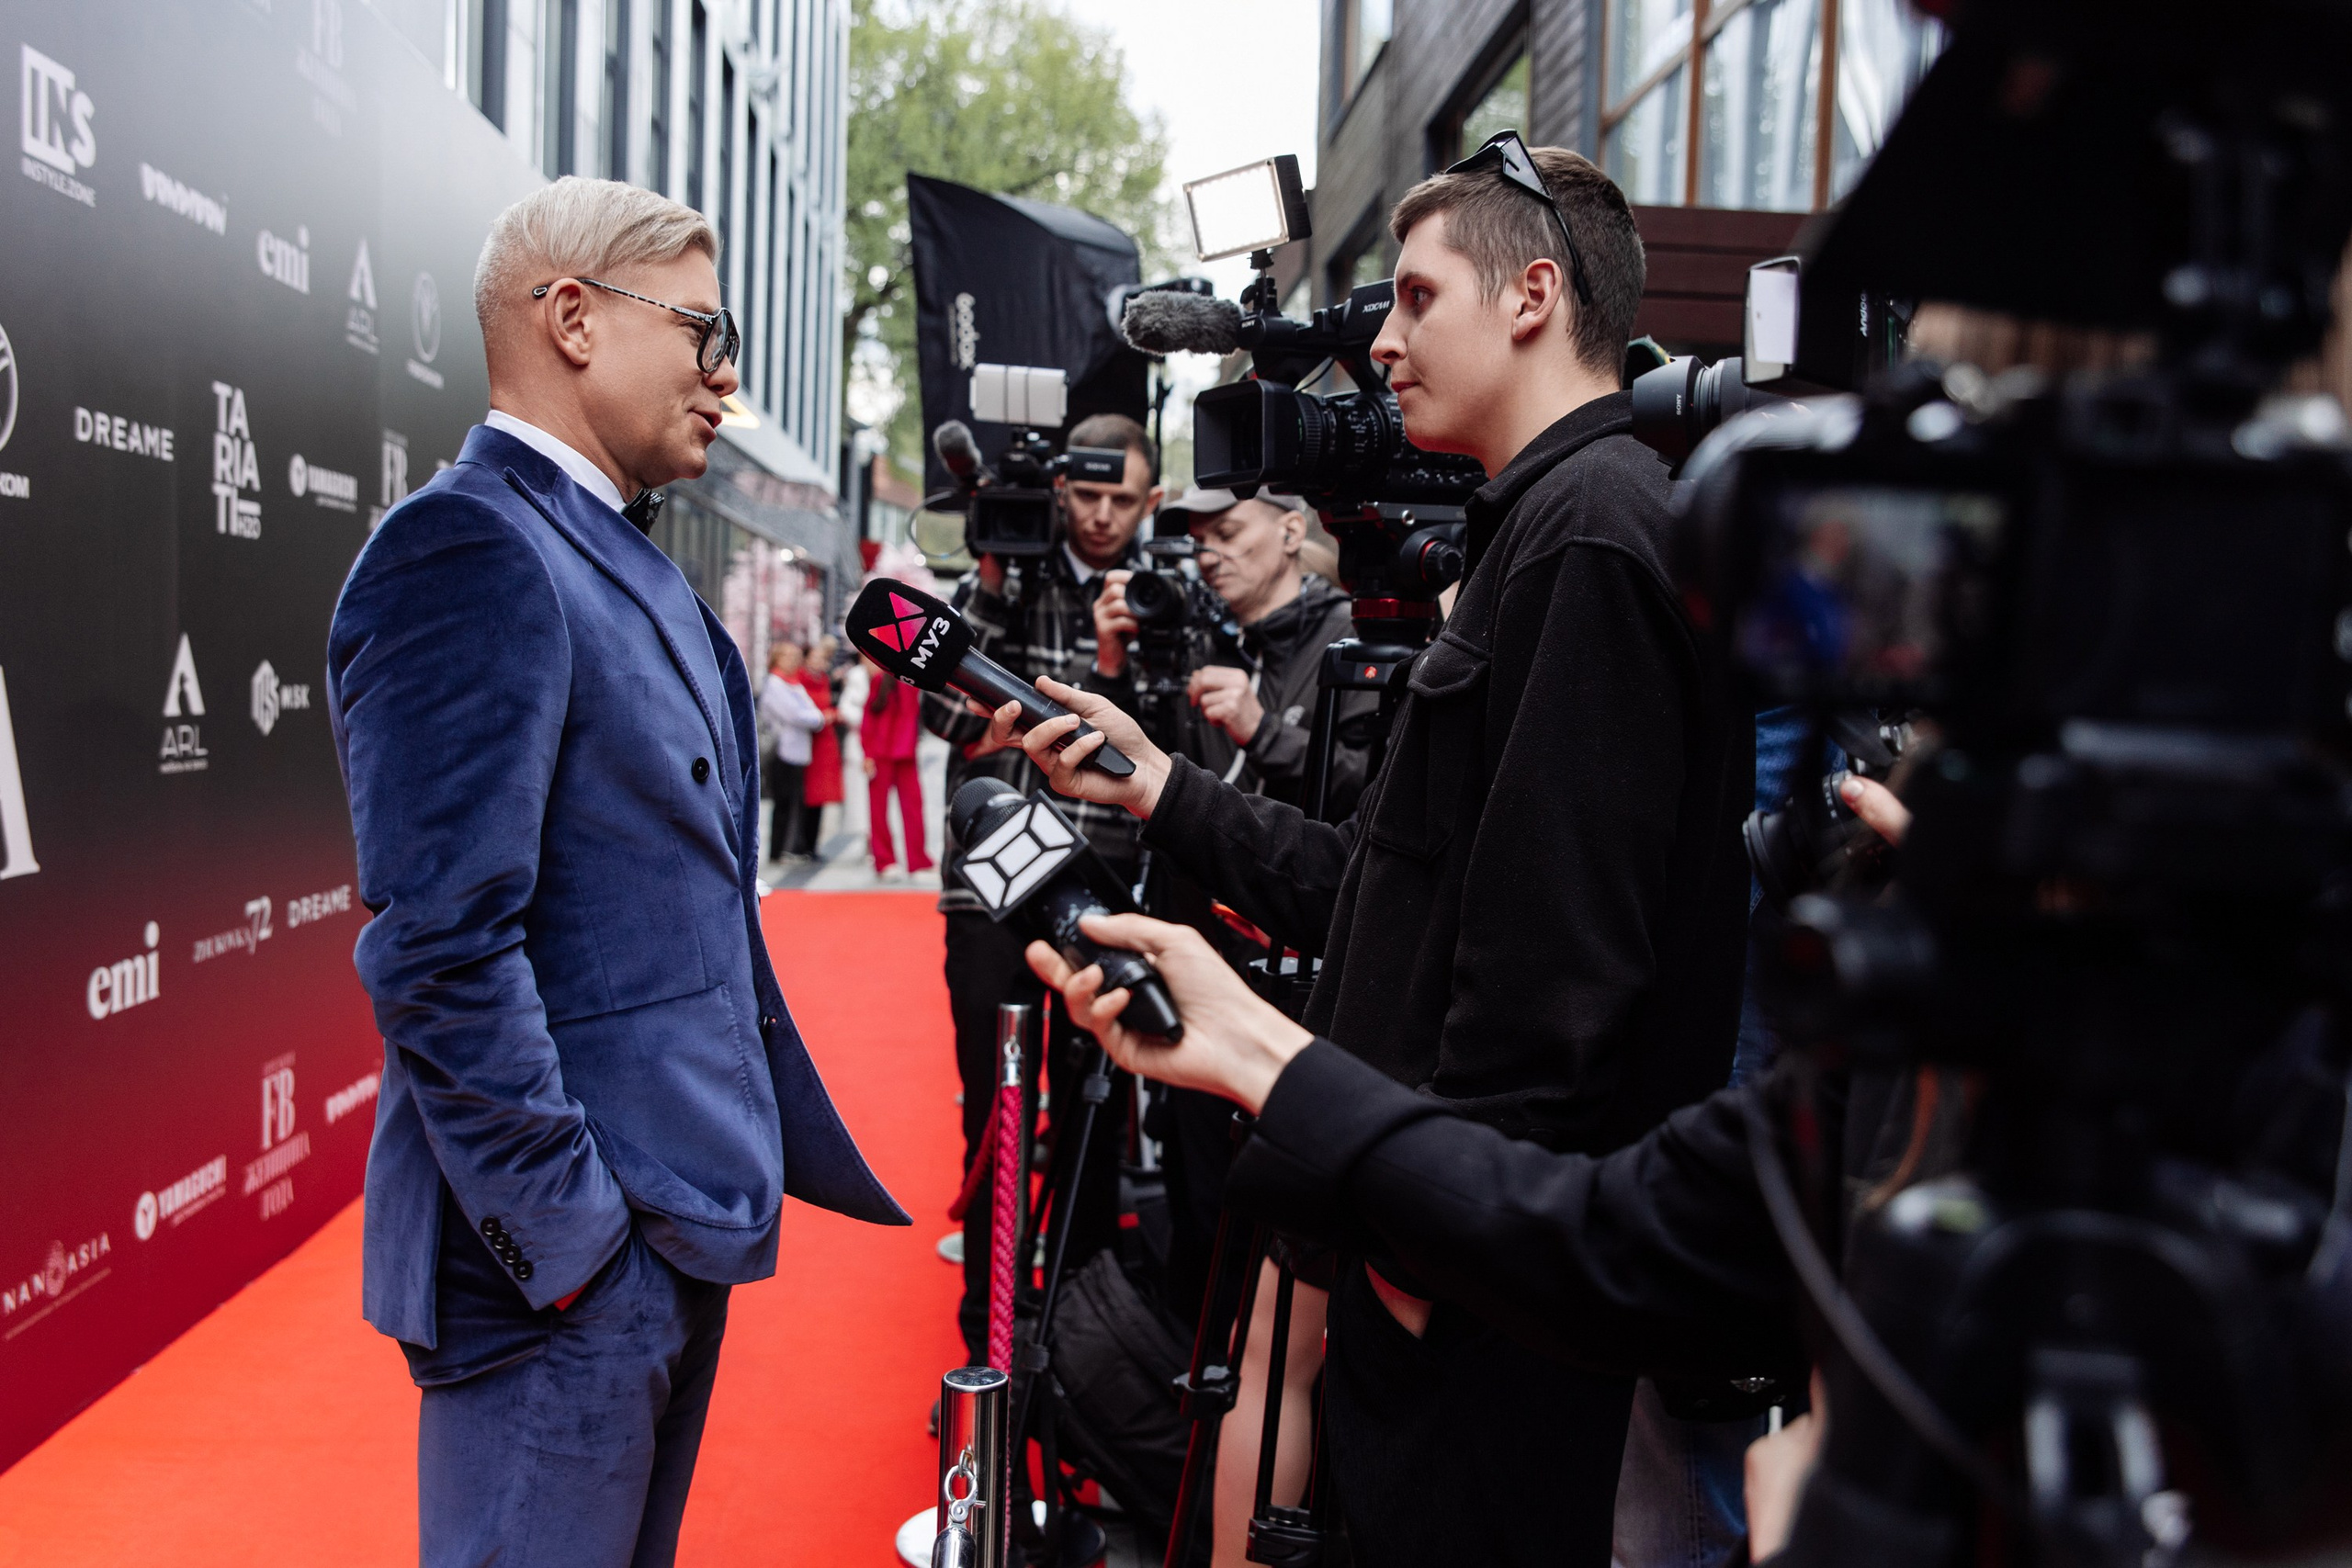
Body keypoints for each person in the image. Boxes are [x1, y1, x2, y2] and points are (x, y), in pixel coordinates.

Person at [970, 141, 1755, 1568]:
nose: (1379, 343)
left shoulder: (1592, 534)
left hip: (1481, 1293)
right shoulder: (1544, 525)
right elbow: (1390, 886)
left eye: (1412, 295)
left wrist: (1416, 1263)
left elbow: (1556, 998)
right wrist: (1162, 789)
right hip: (1447, 1249)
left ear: (1530, 295)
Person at [324, 176, 907, 1568]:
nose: (725, 376)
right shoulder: (468, 547)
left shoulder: (609, 557)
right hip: (566, 1270)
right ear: (573, 317)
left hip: (667, 1230)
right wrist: (576, 1248)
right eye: (700, 329)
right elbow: (442, 947)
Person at [1086, 484, 1372, 1564]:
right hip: (1208, 995)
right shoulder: (1204, 637)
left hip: (1294, 1026)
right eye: (1194, 539)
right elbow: (1169, 806)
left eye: (1228, 534)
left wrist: (1268, 733)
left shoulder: (1350, 649)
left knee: (1272, 1343)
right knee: (1220, 1285)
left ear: (1295, 532)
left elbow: (1357, 845)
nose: (1204, 557)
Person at [919, 412, 1163, 1369]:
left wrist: (1114, 663)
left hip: (1106, 886)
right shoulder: (1004, 574)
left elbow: (1166, 755)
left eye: (1120, 497)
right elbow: (945, 710)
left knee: (1095, 1114)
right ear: (1060, 491)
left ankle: (1086, 1351)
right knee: (996, 1116)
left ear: (1146, 500)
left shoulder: (1153, 591)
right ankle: (987, 1337)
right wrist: (986, 575)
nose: (1101, 514)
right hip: (989, 895)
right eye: (1087, 494)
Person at [859, 656, 932, 878]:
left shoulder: (911, 683)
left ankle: (917, 861)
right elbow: (868, 719)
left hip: (904, 752)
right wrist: (868, 753)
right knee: (879, 810)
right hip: (882, 753)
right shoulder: (882, 681)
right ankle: (885, 861)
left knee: (913, 808)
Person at [759, 642, 826, 864]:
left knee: (796, 801)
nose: (792, 660)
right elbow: (795, 715)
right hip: (782, 750)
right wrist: (816, 718)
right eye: (787, 656)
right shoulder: (775, 684)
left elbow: (811, 712)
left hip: (799, 750)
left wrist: (815, 717)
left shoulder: (795, 684)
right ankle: (777, 850)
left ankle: (793, 846)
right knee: (783, 802)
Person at [797, 632, 845, 853]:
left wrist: (832, 713)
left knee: (821, 796)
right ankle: (801, 844)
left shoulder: (824, 680)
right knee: (806, 795)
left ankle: (812, 844)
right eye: (814, 658)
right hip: (809, 741)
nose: (819, 662)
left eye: (821, 658)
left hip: (825, 741)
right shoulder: (800, 681)